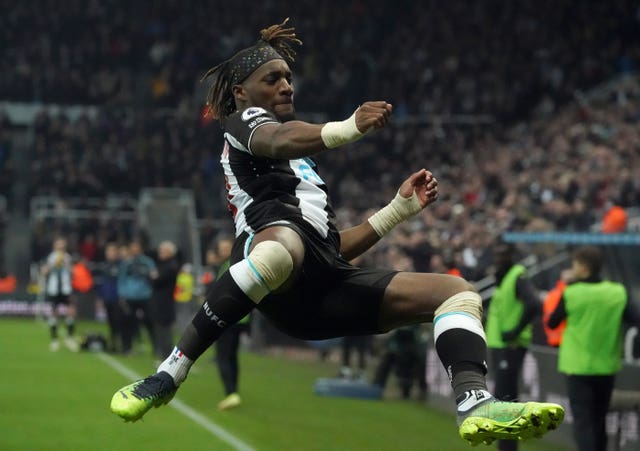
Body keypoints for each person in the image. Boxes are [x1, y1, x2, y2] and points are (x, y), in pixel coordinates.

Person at [110, 19, 564, 446]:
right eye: (272, 78)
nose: (286, 84)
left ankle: (474, 402)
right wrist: (348, 127)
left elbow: (328, 249)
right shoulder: (242, 124)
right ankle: (169, 374)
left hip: (323, 292)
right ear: (243, 91)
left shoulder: (304, 168)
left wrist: (396, 210)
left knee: (458, 292)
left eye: (288, 76)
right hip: (274, 275)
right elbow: (278, 139)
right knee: (281, 247)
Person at [547, 246, 639, 451]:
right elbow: (634, 320)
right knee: (599, 421)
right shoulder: (617, 292)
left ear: (583, 267)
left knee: (583, 423)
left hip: (578, 367)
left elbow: (552, 322)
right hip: (606, 366)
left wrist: (566, 286)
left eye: (574, 264)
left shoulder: (572, 293)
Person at [484, 240, 542, 451]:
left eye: (503, 254)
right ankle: (506, 446)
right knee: (504, 395)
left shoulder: (517, 275)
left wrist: (514, 331)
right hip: (501, 344)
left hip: (511, 345)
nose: (499, 258)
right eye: (496, 254)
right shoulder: (505, 278)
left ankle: (508, 447)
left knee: (506, 396)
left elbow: (534, 304)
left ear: (511, 255)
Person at [212, 258, 251, 411]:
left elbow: (221, 290)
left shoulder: (229, 265)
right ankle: (234, 391)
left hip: (227, 316)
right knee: (232, 356)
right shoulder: (248, 261)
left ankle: (230, 393)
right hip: (242, 317)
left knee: (223, 356)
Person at [117, 239, 157, 355]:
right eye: (132, 248)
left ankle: (156, 347)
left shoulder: (148, 262)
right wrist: (122, 294)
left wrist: (151, 291)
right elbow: (121, 280)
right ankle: (127, 347)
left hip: (145, 296)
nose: (134, 250)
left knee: (149, 322)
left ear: (140, 249)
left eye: (136, 247)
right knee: (128, 322)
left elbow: (153, 277)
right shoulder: (126, 264)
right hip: (130, 297)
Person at [41, 237, 79, 352]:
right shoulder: (50, 257)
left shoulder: (68, 258)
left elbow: (73, 273)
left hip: (66, 289)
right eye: (59, 245)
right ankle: (54, 340)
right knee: (54, 313)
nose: (61, 247)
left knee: (71, 311)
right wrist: (52, 266)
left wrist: (66, 265)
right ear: (55, 246)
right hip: (53, 289)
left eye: (63, 245)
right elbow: (44, 272)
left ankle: (69, 337)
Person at [151, 240, 181, 362]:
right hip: (160, 301)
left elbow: (157, 280)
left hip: (166, 302)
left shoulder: (171, 266)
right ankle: (163, 354)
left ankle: (167, 356)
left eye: (164, 251)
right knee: (160, 329)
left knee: (165, 330)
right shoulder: (163, 265)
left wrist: (154, 277)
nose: (160, 253)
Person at [94, 242, 123, 352]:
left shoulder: (121, 265)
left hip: (118, 299)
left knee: (118, 321)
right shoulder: (104, 266)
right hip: (107, 298)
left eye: (112, 251)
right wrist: (100, 298)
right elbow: (101, 284)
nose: (110, 254)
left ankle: (120, 344)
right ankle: (113, 343)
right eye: (108, 251)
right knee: (111, 322)